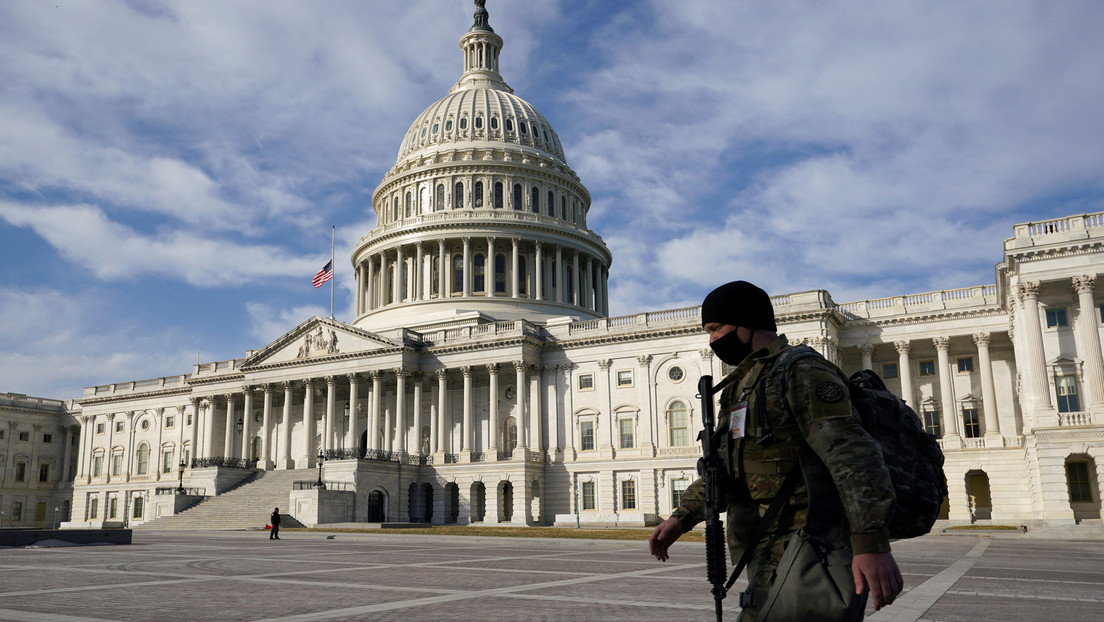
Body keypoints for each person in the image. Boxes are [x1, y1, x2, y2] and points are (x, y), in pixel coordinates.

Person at [648, 281, 902, 621]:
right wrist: (683, 517)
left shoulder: (800, 370)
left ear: (746, 322)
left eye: (716, 328)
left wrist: (870, 544)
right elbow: (723, 468)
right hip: (763, 554)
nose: (711, 340)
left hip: (807, 549)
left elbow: (852, 456)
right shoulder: (741, 385)